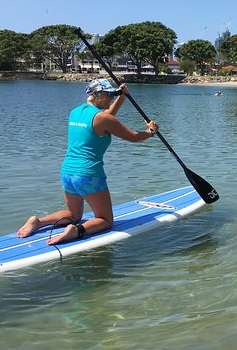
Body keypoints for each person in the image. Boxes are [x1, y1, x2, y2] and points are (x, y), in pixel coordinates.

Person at [17, 78, 159, 245]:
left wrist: (121, 97)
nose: (111, 98)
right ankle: (76, 231)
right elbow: (133, 137)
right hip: (89, 175)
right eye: (108, 95)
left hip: (67, 172)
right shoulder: (102, 118)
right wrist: (150, 131)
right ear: (95, 95)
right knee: (105, 220)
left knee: (74, 215)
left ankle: (38, 222)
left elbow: (105, 118)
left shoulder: (75, 112)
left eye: (113, 94)